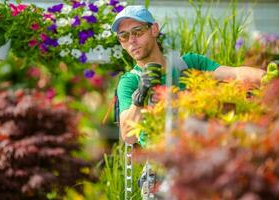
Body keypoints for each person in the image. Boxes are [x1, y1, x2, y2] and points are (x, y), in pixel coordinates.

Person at [111, 5, 266, 145]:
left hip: (200, 153)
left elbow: (234, 73)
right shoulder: (130, 82)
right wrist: (140, 95)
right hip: (160, 165)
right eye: (123, 36)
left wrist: (269, 78)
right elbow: (128, 136)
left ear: (154, 29)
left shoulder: (189, 64)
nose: (131, 40)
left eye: (137, 32)